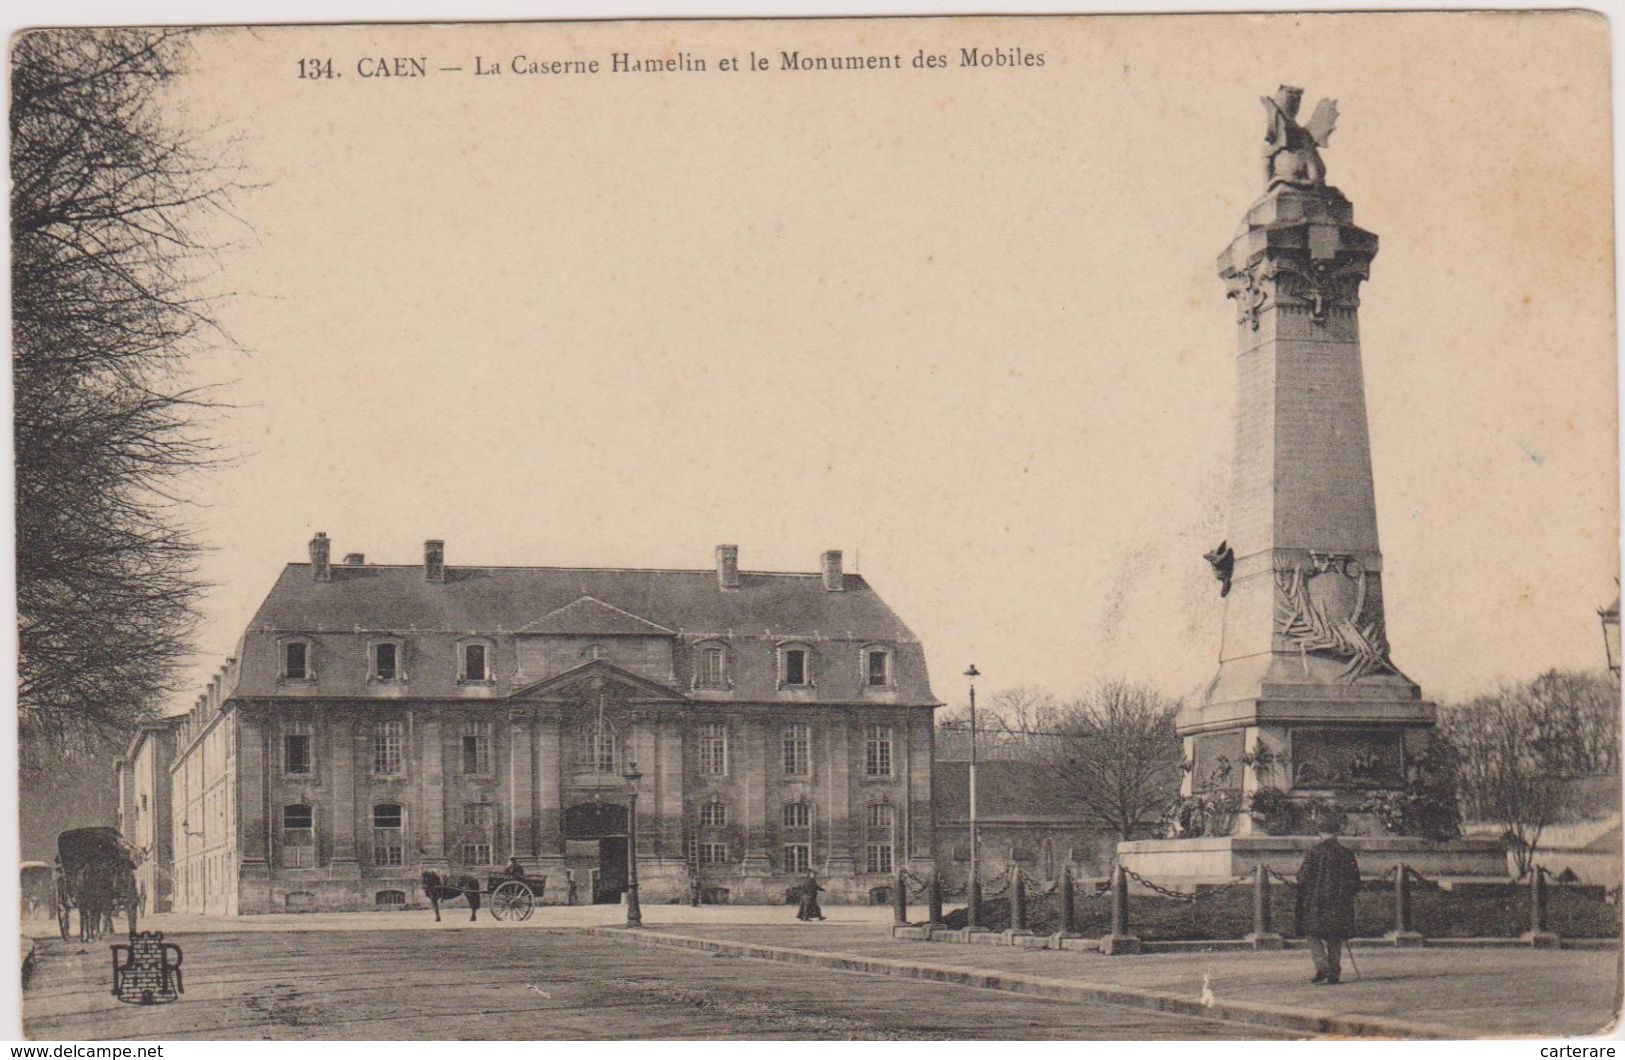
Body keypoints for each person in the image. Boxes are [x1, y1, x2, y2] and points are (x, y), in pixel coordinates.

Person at [1294, 821, 1362, 985]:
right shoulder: (1347, 853)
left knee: (1312, 934)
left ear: (1320, 834)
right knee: (1335, 936)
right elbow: (1355, 881)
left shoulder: (1314, 852)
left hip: (1316, 902)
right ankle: (1335, 971)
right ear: (1336, 833)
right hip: (1339, 902)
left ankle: (1322, 966)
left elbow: (1302, 878)